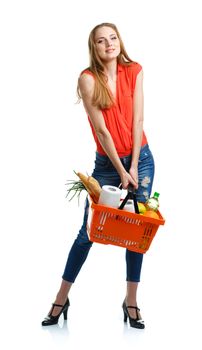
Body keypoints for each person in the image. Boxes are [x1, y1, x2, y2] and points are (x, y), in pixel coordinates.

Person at [41, 22, 155, 329]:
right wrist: (121, 170)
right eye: (101, 41)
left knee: (136, 231)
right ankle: (61, 298)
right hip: (108, 166)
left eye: (113, 38)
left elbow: (138, 118)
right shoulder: (88, 79)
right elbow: (103, 132)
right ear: (94, 47)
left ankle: (131, 302)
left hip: (141, 160)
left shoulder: (135, 71)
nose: (109, 44)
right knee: (88, 233)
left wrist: (133, 167)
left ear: (120, 40)